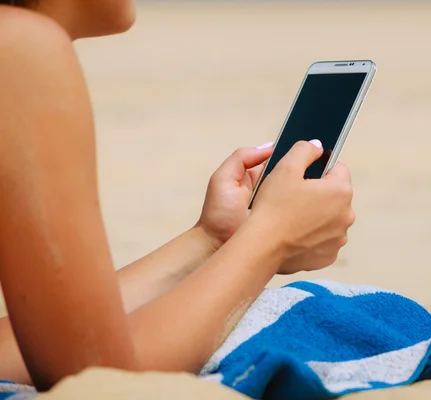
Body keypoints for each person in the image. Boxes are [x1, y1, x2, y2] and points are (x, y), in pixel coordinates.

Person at [0, 0, 355, 391]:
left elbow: (41, 346)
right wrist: (274, 236)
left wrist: (212, 238)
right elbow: (99, 381)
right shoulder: (19, 46)